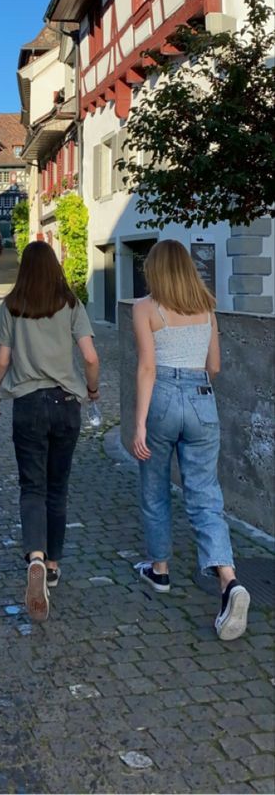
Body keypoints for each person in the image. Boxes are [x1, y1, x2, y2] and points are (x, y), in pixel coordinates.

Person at [131, 239, 250, 640]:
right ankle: (229, 580)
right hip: (202, 399)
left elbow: (147, 367)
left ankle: (160, 570)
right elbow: (213, 365)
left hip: (162, 396)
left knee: (155, 488)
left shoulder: (145, 308)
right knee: (204, 494)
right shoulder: (206, 307)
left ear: (155, 270)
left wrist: (141, 423)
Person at [0, 241, 99, 622]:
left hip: (28, 405)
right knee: (58, 488)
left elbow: (2, 360)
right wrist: (93, 389)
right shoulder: (70, 304)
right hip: (66, 404)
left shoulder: (12, 306)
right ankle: (52, 564)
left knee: (31, 487)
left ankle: (33, 555)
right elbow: (89, 356)